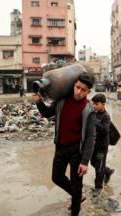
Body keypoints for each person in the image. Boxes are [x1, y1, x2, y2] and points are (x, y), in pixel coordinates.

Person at [33, 72, 96, 216]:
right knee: (56, 177)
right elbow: (48, 113)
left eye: (83, 90)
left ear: (88, 92)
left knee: (76, 184)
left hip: (76, 151)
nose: (79, 92)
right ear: (74, 85)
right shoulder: (62, 101)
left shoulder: (89, 108)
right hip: (60, 147)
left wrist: (85, 161)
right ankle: (78, 196)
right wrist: (38, 101)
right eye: (77, 87)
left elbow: (91, 137)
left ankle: (75, 210)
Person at [90, 94, 115, 197]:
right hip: (94, 145)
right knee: (93, 163)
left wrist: (94, 121)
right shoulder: (94, 114)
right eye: (93, 104)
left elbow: (105, 130)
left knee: (99, 167)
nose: (94, 106)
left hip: (102, 146)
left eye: (96, 104)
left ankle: (98, 187)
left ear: (103, 104)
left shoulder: (106, 116)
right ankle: (108, 171)